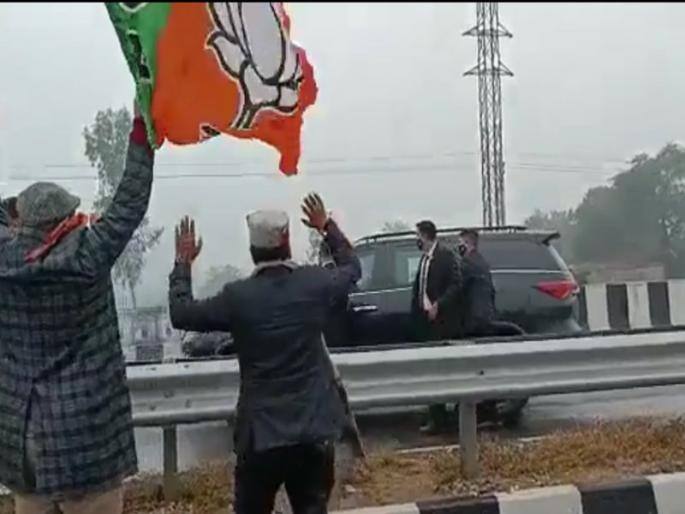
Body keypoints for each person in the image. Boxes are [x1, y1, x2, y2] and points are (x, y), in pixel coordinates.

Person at [0, 106, 153, 514]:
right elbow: (130, 200)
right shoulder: (89, 254)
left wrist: (16, 219)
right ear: (64, 221)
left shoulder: (4, 260)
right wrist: (142, 131)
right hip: (86, 444)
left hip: (24, 444)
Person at [168, 193, 361, 514]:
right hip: (312, 431)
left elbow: (182, 313)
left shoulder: (238, 297)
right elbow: (352, 268)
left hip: (260, 436)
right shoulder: (313, 283)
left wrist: (182, 265)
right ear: (286, 240)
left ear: (252, 249)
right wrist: (326, 226)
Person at [412, 220, 462, 434]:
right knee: (429, 369)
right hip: (425, 322)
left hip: (441, 323)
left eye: (417, 235)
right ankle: (437, 415)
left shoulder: (445, 256)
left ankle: (441, 418)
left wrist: (438, 305)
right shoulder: (425, 259)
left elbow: (456, 284)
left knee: (438, 370)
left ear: (425, 235)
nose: (416, 239)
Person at [458, 229, 496, 337]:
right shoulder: (481, 261)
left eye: (460, 244)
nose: (459, 248)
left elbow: (458, 287)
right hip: (486, 316)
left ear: (468, 244)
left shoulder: (468, 263)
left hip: (473, 319)